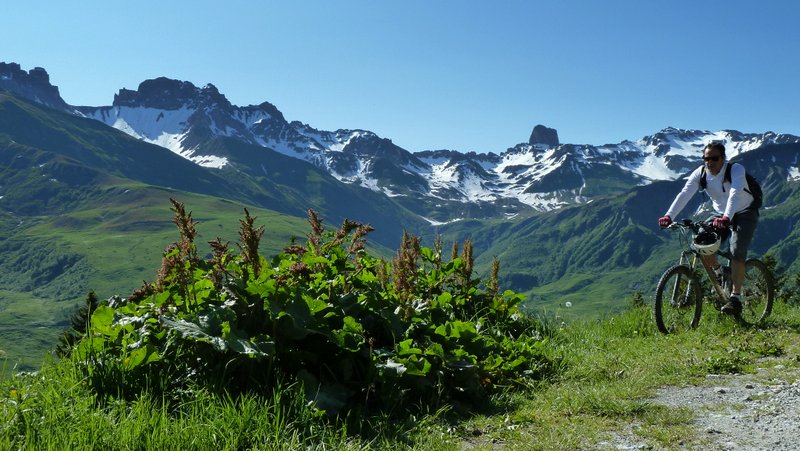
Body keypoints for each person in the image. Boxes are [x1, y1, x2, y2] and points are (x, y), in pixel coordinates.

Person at [657, 142, 759, 316]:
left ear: (723, 158)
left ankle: (735, 298)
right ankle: (720, 272)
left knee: (737, 252)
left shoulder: (735, 169)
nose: (709, 162)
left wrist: (727, 217)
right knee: (702, 243)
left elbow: (734, 194)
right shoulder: (701, 173)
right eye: (706, 159)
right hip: (721, 214)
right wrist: (669, 216)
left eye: (714, 158)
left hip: (744, 212)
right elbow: (685, 194)